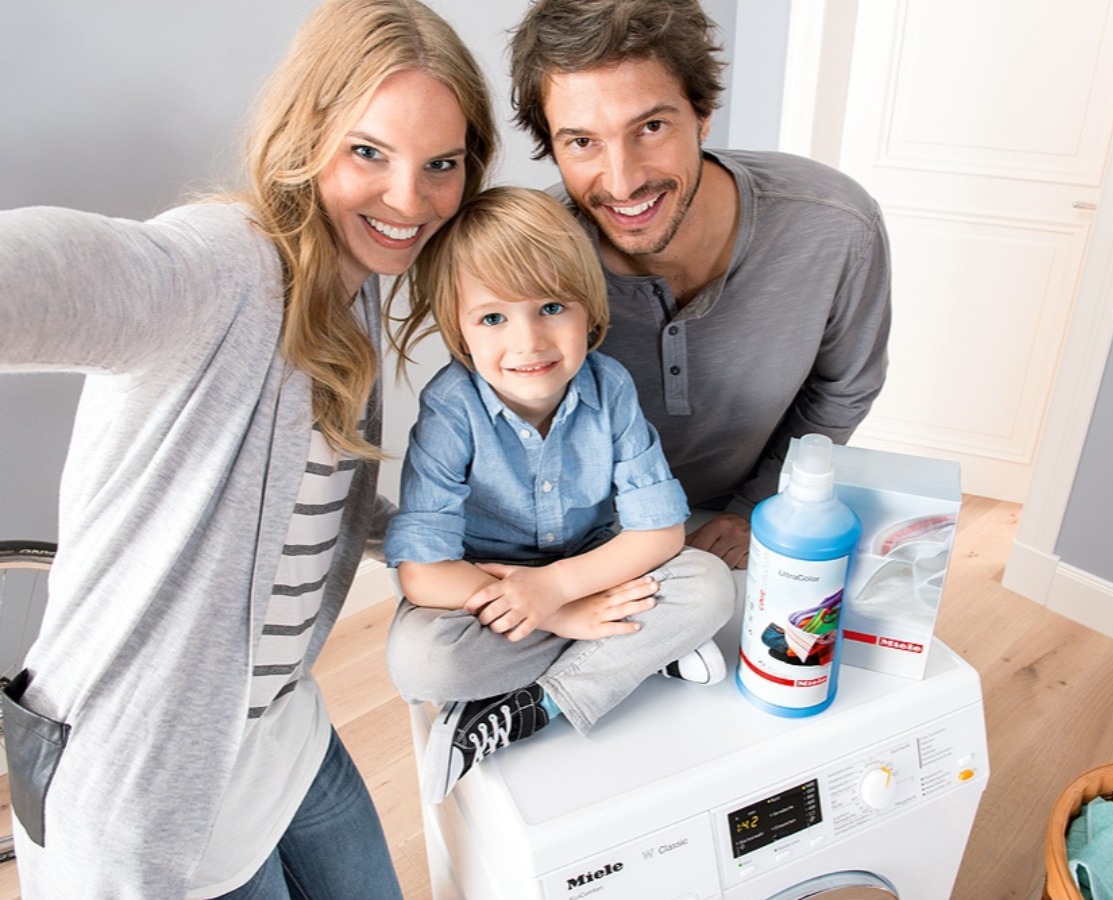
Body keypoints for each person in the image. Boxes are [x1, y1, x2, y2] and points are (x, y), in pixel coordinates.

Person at [0, 0, 496, 895]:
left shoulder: (353, 285)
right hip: (152, 773)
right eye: (369, 152)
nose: (409, 200)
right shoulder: (219, 267)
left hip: (280, 730)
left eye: (441, 165)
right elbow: (61, 271)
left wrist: (445, 543)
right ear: (309, 133)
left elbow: (318, 506)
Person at [508, 0, 892, 569]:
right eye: (582, 142)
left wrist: (761, 504)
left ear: (703, 112)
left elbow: (843, 387)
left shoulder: (836, 226)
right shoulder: (526, 255)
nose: (622, 182)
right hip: (580, 531)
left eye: (651, 127)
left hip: (747, 511)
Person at [383, 186, 735, 805]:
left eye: (551, 307)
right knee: (423, 662)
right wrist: (556, 611)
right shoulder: (450, 408)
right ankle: (638, 650)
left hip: (594, 565)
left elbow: (659, 533)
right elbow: (423, 573)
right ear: (460, 330)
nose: (529, 343)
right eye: (493, 318)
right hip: (488, 586)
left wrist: (560, 585)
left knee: (709, 584)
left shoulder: (609, 386)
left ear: (589, 311)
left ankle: (537, 703)